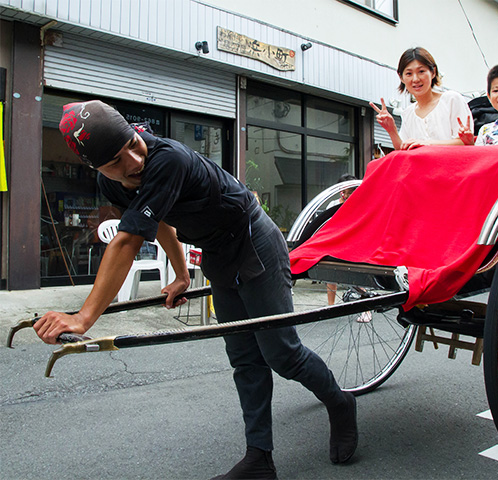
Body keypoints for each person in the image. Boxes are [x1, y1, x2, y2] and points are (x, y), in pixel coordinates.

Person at [34, 100, 358, 480]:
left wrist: (84, 316)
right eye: (116, 162)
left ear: (134, 131)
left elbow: (127, 242)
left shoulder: (167, 158)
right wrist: (181, 276)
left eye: (132, 145)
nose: (133, 162)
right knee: (243, 357)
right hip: (217, 252)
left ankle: (340, 403)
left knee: (281, 354)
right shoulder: (112, 183)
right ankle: (259, 459)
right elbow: (160, 222)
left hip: (254, 240)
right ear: (98, 169)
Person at [369, 47, 473, 150]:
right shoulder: (408, 113)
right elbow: (403, 150)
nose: (415, 79)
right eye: (409, 74)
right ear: (401, 77)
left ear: (433, 72)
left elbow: (465, 143)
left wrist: (426, 144)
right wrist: (392, 130)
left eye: (421, 71)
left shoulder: (451, 100)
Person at [326, 174, 357, 306]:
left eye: (351, 192)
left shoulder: (359, 205)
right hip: (336, 243)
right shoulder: (333, 205)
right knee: (330, 274)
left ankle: (365, 309)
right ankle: (330, 305)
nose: (347, 194)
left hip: (353, 243)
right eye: (346, 191)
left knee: (357, 276)